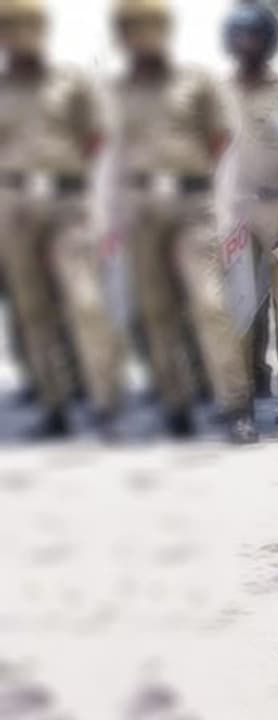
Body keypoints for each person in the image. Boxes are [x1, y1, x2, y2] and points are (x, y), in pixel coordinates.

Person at [110, 0, 256, 442]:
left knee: (208, 304)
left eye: (150, 27)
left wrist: (222, 204)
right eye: (133, 29)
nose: (143, 36)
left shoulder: (197, 81)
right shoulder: (116, 92)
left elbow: (222, 145)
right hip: (139, 208)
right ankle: (175, 403)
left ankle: (235, 404)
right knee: (155, 310)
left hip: (193, 205)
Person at [0, 0, 121, 438]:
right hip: (14, 208)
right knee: (33, 310)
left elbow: (99, 144)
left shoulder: (71, 82)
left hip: (69, 205)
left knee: (84, 301)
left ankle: (104, 398)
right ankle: (54, 404)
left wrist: (100, 208)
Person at [223, 1, 278, 428]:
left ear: (268, 40)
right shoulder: (220, 92)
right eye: (240, 36)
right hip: (237, 208)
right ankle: (241, 394)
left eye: (255, 36)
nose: (247, 44)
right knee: (240, 303)